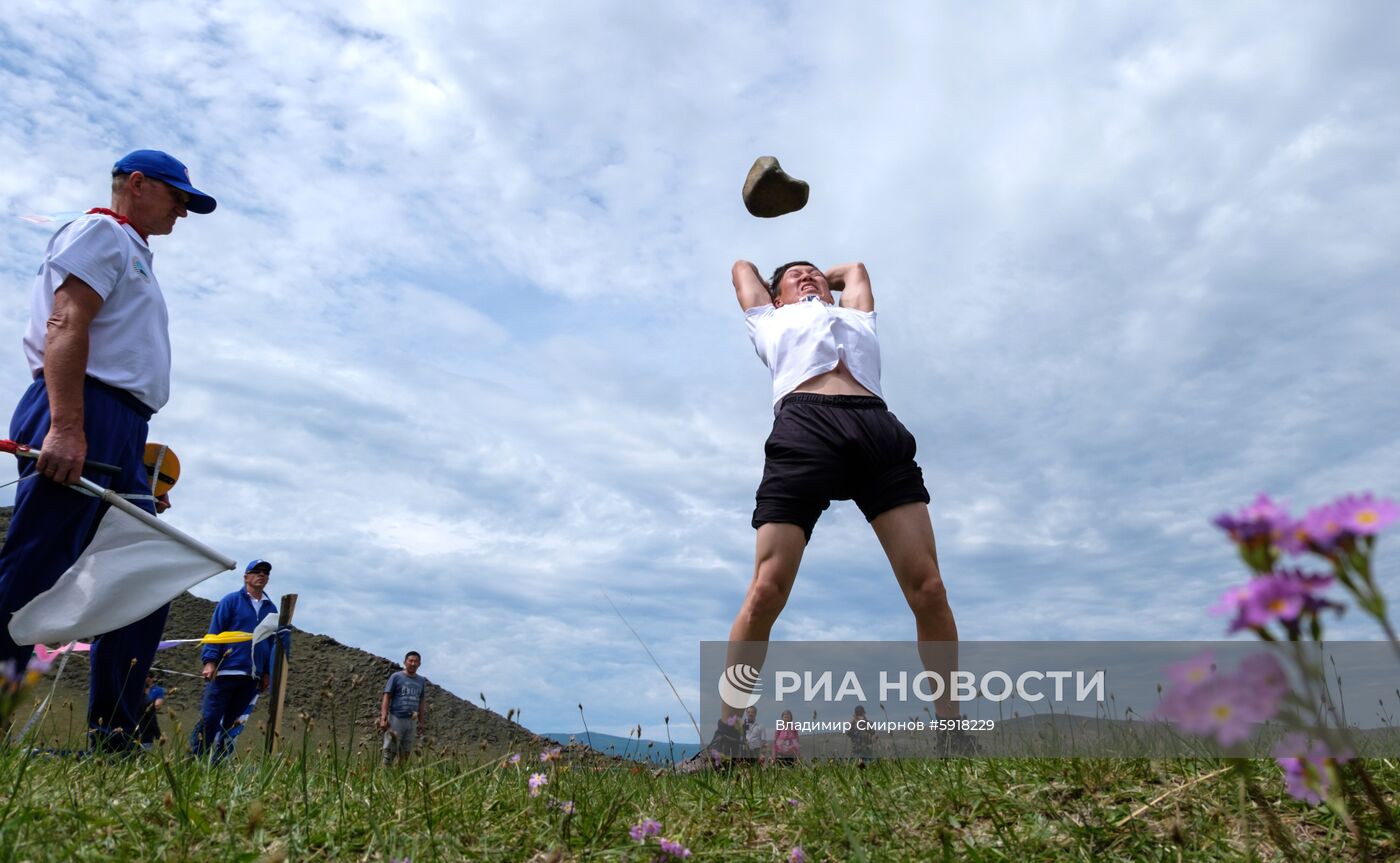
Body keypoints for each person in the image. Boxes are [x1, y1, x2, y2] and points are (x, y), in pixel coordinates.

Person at [0, 150, 215, 747]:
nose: (182, 211)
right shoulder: (101, 231)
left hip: (122, 426)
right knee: (37, 569)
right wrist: (67, 427)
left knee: (141, 576)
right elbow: (66, 324)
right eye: (177, 196)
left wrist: (135, 457)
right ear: (137, 185)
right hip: (81, 408)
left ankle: (118, 731)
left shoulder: (134, 252)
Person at [712, 260, 966, 754]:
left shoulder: (857, 316)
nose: (808, 275)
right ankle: (728, 740)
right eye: (795, 274)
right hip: (804, 426)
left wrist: (816, 286)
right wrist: (793, 289)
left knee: (929, 589)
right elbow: (741, 268)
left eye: (814, 271)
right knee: (766, 589)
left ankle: (954, 736)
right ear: (774, 295)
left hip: (876, 427)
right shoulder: (767, 318)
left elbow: (855, 270)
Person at [190, 559, 277, 762]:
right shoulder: (230, 601)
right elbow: (215, 631)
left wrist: (267, 673)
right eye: (256, 571)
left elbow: (271, 643)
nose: (261, 575)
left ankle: (219, 765)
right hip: (226, 670)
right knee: (210, 718)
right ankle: (195, 760)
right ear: (246, 577)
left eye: (265, 572)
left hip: (252, 676)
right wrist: (210, 661)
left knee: (234, 722)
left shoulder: (271, 609)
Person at [379, 651, 428, 766]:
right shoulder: (396, 677)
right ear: (405, 662)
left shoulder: (421, 680)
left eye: (416, 661)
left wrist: (421, 722)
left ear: (419, 664)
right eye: (410, 661)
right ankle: (384, 776)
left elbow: (421, 701)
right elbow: (387, 696)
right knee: (389, 752)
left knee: (405, 753)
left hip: (412, 720)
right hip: (396, 718)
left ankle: (399, 777)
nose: (413, 663)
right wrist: (383, 717)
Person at [135, 672, 166, 749]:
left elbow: (158, 705)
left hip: (142, 727)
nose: (148, 679)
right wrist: (158, 734)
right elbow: (152, 720)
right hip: (144, 730)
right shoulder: (147, 701)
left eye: (150, 677)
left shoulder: (158, 690)